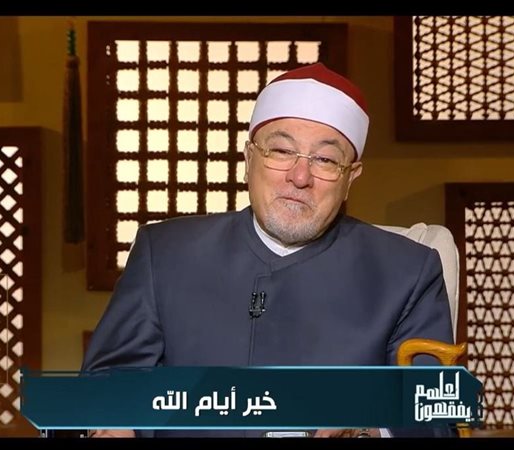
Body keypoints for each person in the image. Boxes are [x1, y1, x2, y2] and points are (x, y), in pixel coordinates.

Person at [82, 63, 454, 437]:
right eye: (281, 151)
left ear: (350, 177)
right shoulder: (164, 253)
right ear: (249, 159)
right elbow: (110, 380)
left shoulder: (409, 272)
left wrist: (369, 431)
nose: (299, 177)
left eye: (325, 160)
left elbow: (435, 418)